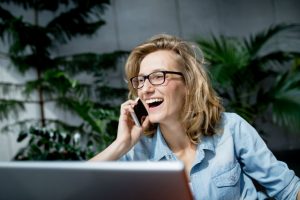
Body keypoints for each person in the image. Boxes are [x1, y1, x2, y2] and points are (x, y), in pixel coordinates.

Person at [90, 34, 300, 199]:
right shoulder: (138, 151)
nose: (145, 89)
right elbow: (72, 192)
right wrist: (120, 145)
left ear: (188, 85)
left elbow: (289, 190)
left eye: (157, 77)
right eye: (141, 80)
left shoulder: (231, 128)